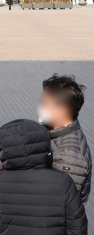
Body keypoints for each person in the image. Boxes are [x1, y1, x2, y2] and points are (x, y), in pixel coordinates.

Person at [38, 74, 91, 203]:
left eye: (44, 104)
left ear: (63, 109)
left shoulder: (70, 155)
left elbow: (57, 204)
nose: (40, 108)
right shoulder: (52, 133)